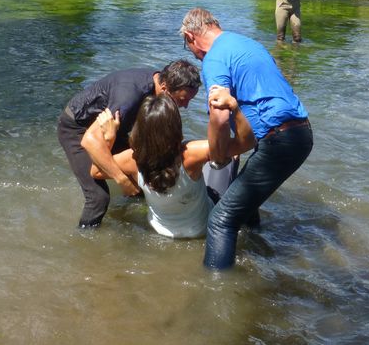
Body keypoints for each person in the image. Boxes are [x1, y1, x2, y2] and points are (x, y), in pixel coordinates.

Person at [180, 7, 314, 269]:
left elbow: (218, 116)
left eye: (190, 48)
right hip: (300, 132)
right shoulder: (244, 43)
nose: (195, 57)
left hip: (279, 140)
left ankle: (216, 292)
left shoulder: (214, 59)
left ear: (190, 36)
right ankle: (258, 247)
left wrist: (218, 159)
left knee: (221, 220)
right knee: (243, 199)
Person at [89, 89, 255, 238]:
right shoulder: (190, 154)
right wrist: (234, 107)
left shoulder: (131, 159)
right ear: (175, 127)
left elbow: (95, 171)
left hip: (160, 231)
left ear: (139, 128)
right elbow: (247, 143)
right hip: (201, 230)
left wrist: (109, 138)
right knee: (231, 158)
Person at [57, 61, 200, 228]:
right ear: (164, 87)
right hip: (78, 129)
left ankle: (131, 218)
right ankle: (85, 239)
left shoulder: (158, 82)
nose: (186, 106)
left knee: (145, 174)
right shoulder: (128, 96)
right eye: (182, 100)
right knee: (98, 197)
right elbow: (90, 140)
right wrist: (122, 180)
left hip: (113, 128)